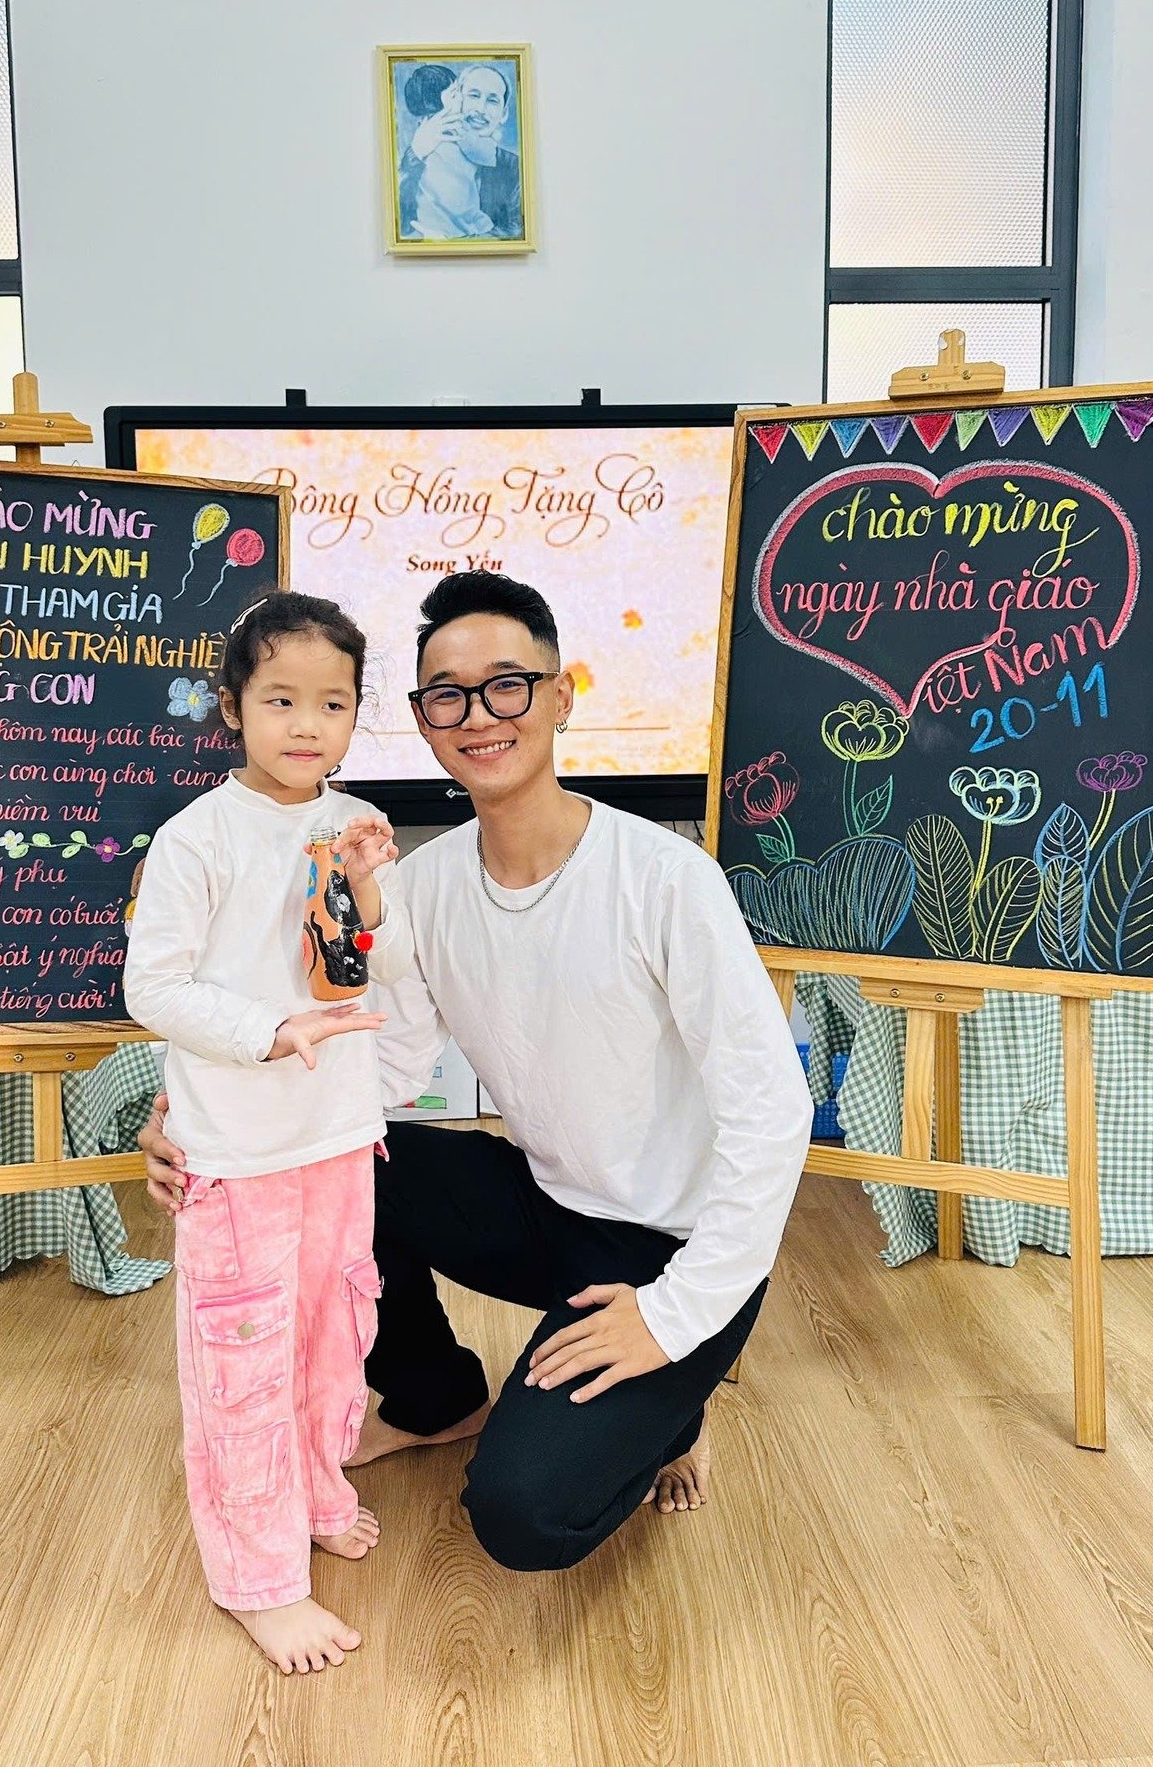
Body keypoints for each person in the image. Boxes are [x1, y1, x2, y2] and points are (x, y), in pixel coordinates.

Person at [143, 571, 812, 1572]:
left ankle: (675, 1411)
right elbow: (384, 1069)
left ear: (560, 695)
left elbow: (773, 1111)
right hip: (546, 1205)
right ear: (422, 721)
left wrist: (672, 1317)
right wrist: (208, 1124)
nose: (479, 716)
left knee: (522, 1516)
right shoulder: (424, 882)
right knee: (351, 1167)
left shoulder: (666, 876)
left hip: (674, 1245)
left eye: (508, 685)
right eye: (447, 696)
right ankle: (438, 1398)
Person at [123, 589, 416, 1675]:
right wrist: (269, 1032)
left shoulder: (349, 822)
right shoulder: (196, 837)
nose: (307, 723)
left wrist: (366, 889)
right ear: (233, 706)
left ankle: (318, 1491)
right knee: (241, 1362)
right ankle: (258, 1580)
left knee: (335, 1335)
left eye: (332, 702)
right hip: (238, 1152)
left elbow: (369, 963)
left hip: (338, 1136)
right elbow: (152, 985)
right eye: (281, 698)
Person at [397, 63, 522, 240]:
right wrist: (416, 153)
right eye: (473, 96)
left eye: (492, 100)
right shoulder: (418, 154)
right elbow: (398, 219)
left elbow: (516, 232)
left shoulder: (515, 168)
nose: (480, 109)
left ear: (504, 114)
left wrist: (449, 244)